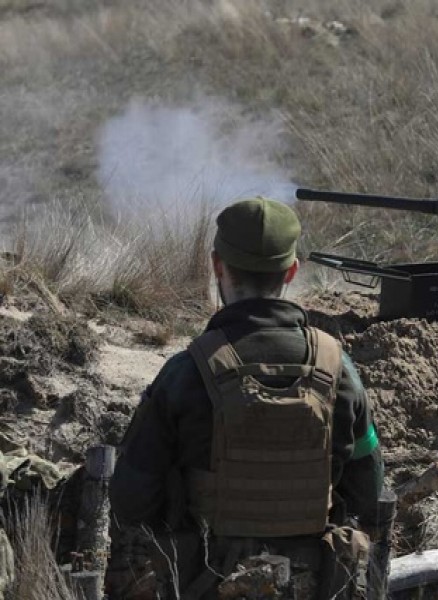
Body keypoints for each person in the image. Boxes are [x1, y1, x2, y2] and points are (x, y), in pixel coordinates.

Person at [108, 197, 384, 599]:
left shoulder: (185, 372)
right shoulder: (338, 370)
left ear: (217, 266)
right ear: (291, 271)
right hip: (314, 585)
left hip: (204, 584)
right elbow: (371, 493)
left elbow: (131, 500)